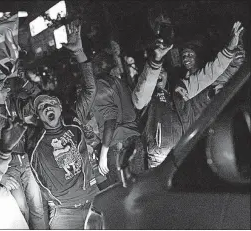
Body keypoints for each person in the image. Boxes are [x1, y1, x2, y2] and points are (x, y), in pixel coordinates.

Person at [132, 21, 244, 167]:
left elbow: (210, 73)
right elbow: (142, 94)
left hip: (187, 155)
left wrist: (230, 48)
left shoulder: (180, 89)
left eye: (161, 70)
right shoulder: (147, 99)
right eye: (155, 71)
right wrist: (156, 60)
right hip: (161, 163)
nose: (158, 73)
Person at [23, 21, 98, 229]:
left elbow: (91, 89)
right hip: (64, 213)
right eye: (42, 107)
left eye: (52, 103)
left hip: (94, 202)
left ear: (58, 107)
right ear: (38, 116)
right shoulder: (33, 141)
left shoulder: (74, 121)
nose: (48, 107)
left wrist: (80, 53)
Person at [0, 85, 46, 229]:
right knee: (22, 208)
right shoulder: (0, 112)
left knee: (37, 207)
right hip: (11, 166)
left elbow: (36, 100)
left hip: (27, 161)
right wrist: (0, 100)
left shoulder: (22, 106)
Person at [90, 51, 145, 186]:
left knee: (123, 193)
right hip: (134, 140)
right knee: (141, 189)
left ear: (95, 68)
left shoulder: (100, 86)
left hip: (117, 146)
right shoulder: (119, 82)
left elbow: (110, 120)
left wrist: (103, 153)